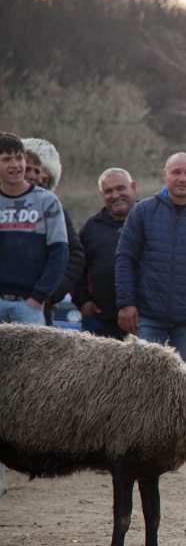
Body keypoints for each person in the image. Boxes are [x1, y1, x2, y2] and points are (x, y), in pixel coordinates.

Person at [0, 132, 68, 498]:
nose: (14, 165)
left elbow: (59, 253)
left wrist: (38, 298)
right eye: (6, 158)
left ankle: (35, 458)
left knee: (32, 383)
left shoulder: (46, 202)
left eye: (18, 158)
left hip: (28, 305)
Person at [115, 152, 186, 363]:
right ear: (165, 175)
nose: (182, 178)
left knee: (181, 387)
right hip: (147, 317)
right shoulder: (142, 211)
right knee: (142, 381)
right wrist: (126, 302)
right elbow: (125, 259)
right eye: (176, 172)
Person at [22, 138, 85, 327]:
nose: (36, 179)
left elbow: (74, 255)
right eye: (28, 170)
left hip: (39, 307)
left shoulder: (54, 209)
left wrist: (49, 294)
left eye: (44, 177)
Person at [73, 168, 138, 339]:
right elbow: (76, 266)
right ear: (102, 195)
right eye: (109, 191)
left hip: (142, 320)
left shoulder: (149, 221)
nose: (115, 195)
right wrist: (82, 302)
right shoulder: (90, 228)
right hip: (99, 321)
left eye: (120, 188)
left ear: (133, 187)